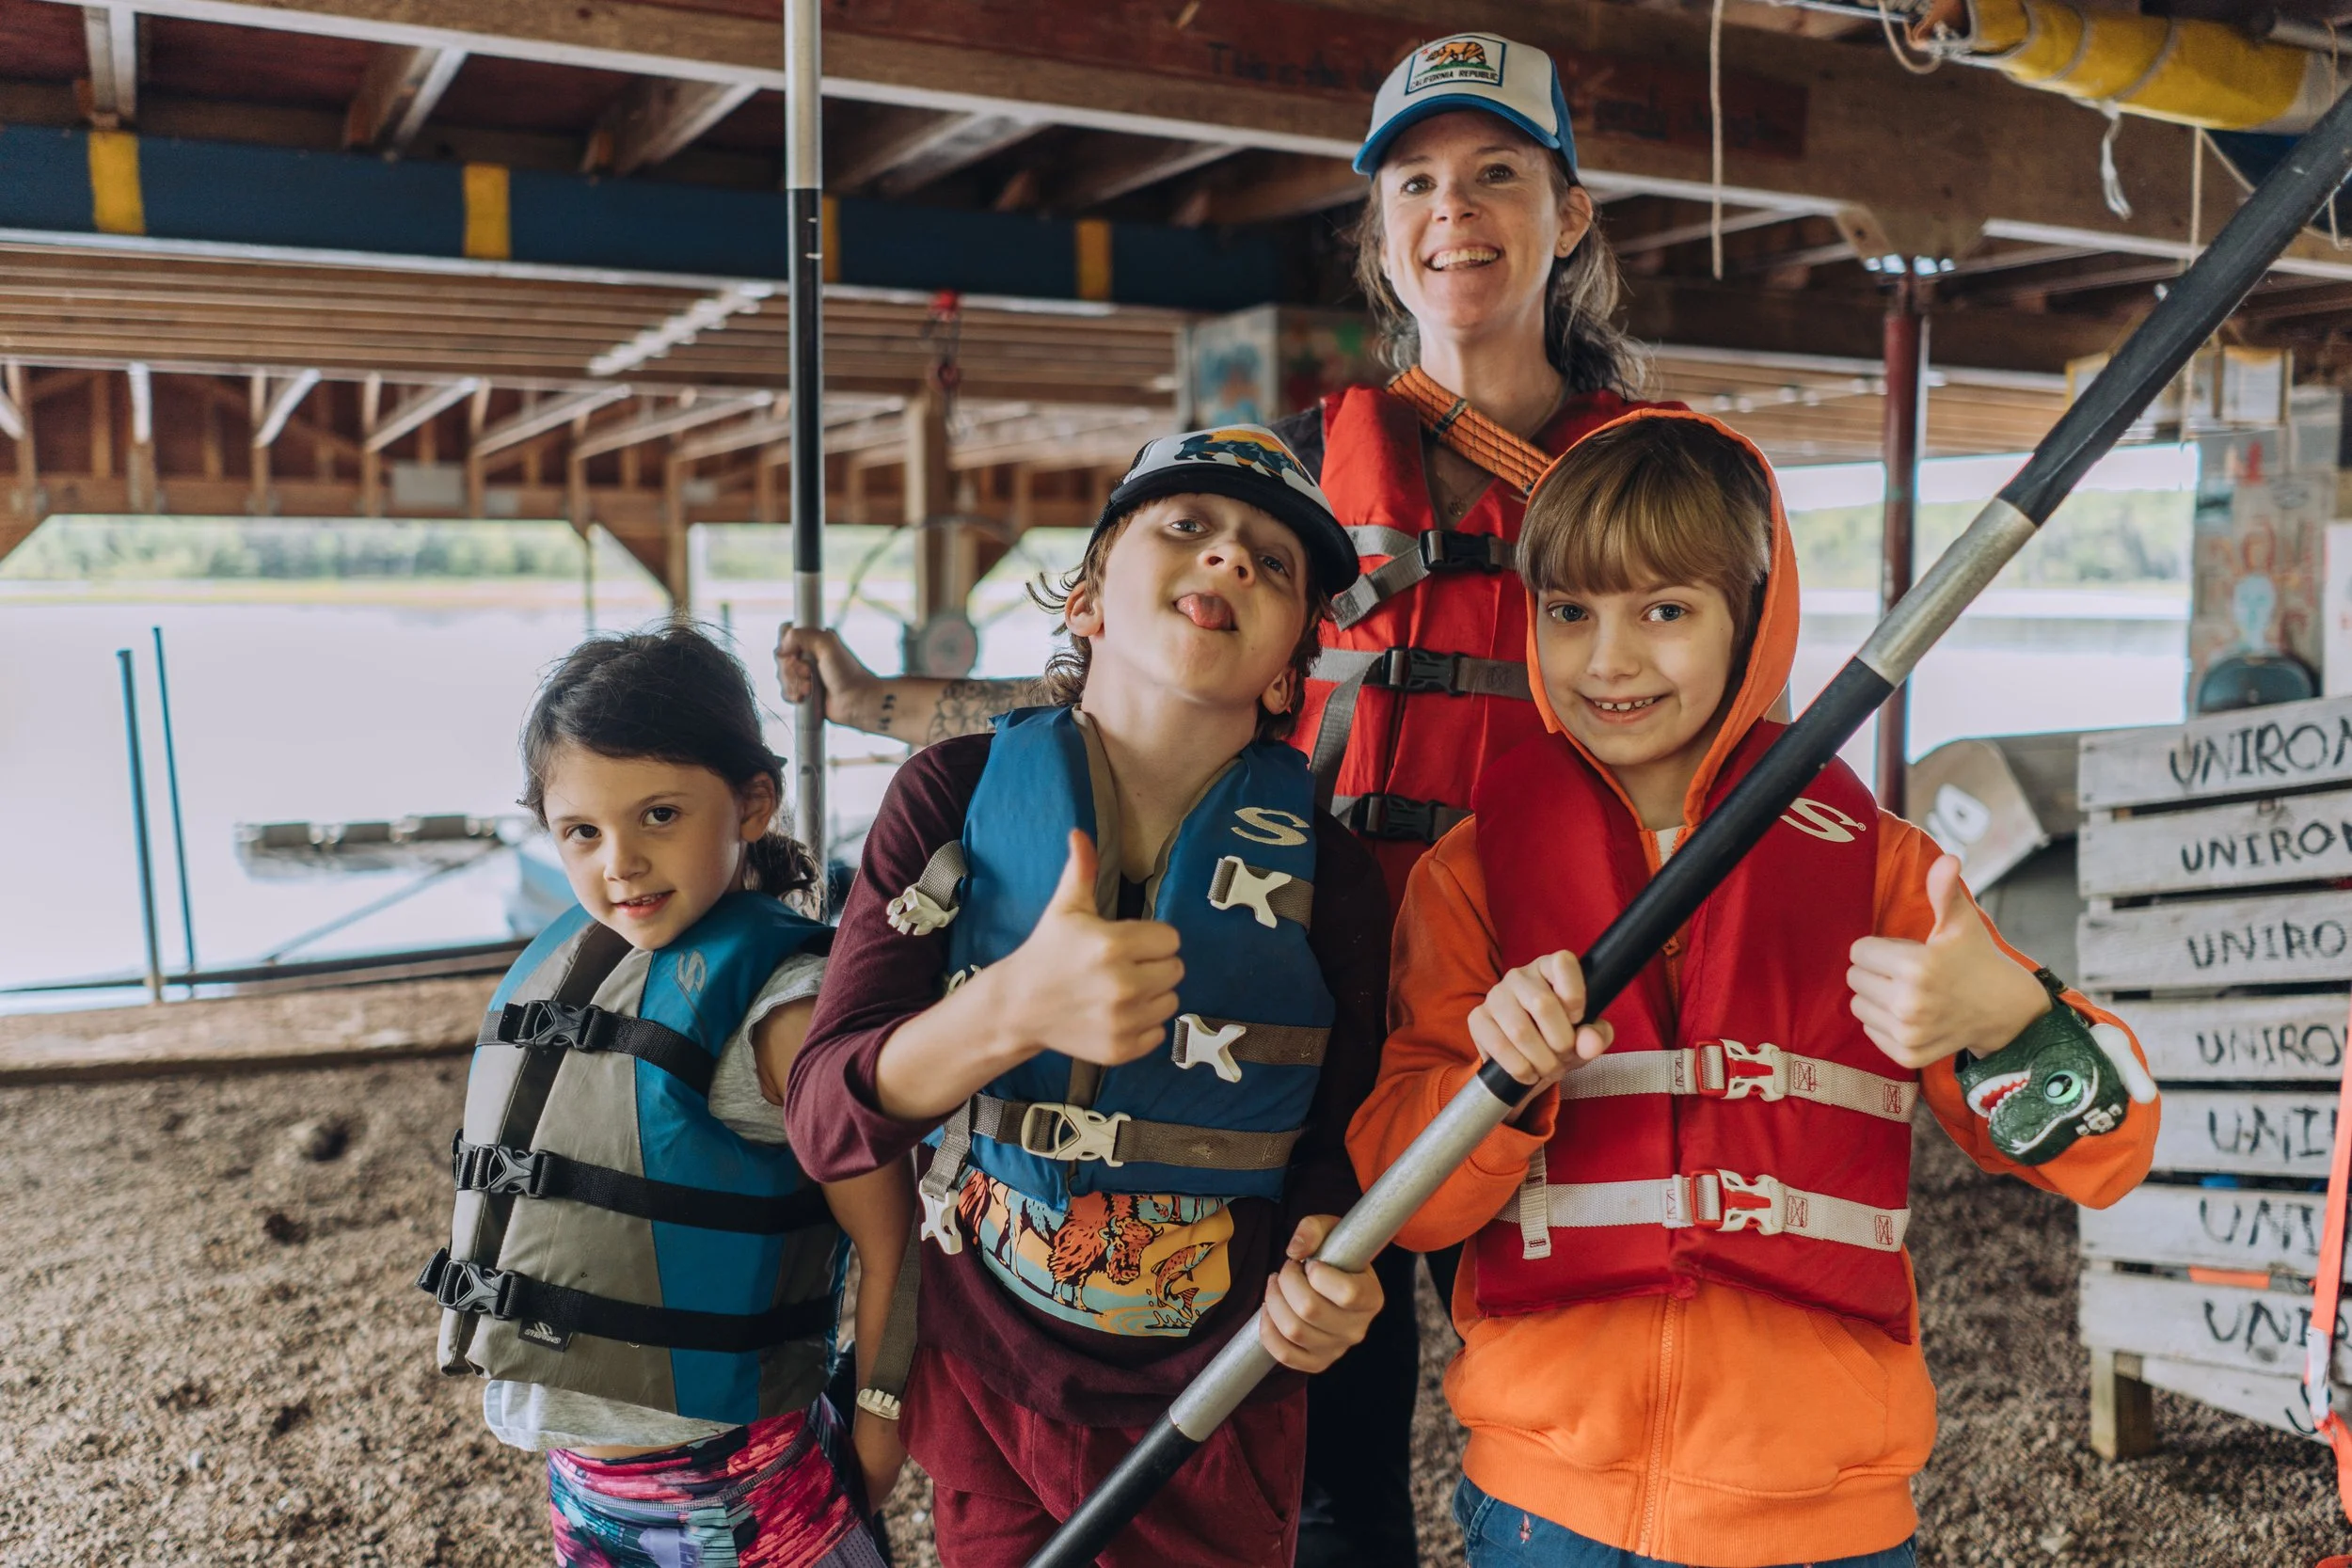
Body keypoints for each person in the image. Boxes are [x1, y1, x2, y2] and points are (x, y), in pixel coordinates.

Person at [775, 34, 1677, 1561]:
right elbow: (1111, 710)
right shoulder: (1306, 472)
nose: (1455, 212)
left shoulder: (1637, 481)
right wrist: (872, 709)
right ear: (1382, 232)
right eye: (1417, 185)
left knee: (1571, 1410)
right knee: (1330, 1428)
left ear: (1570, 213)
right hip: (1303, 1023)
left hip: (1517, 1012)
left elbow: (1703, 739)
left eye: (1498, 175)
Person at [1347, 409, 2163, 1568]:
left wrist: (2011, 1022)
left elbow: (2116, 1152)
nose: (1606, 659)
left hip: (1827, 1518)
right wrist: (1493, 1086)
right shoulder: (1467, 875)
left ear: (1754, 619)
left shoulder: (1887, 872)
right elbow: (1404, 1194)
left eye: (1664, 610)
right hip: (1547, 1509)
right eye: (1570, 610)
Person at [783, 425, 1389, 1567]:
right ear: (1090, 600)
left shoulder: (1336, 878)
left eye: (1273, 561)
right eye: (1186, 527)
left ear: (1284, 670)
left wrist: (1330, 1266)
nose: (1230, 561)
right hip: (987, 1388)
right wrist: (1008, 1008)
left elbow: (1338, 1157)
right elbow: (824, 1113)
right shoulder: (945, 797)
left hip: (1215, 1405)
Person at [417, 626, 913, 1568]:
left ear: (753, 800)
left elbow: (893, 1240)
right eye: (583, 831)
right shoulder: (573, 974)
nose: (621, 862)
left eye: (659, 815)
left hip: (750, 1487)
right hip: (584, 1489)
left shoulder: (782, 1011)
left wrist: (879, 1431)